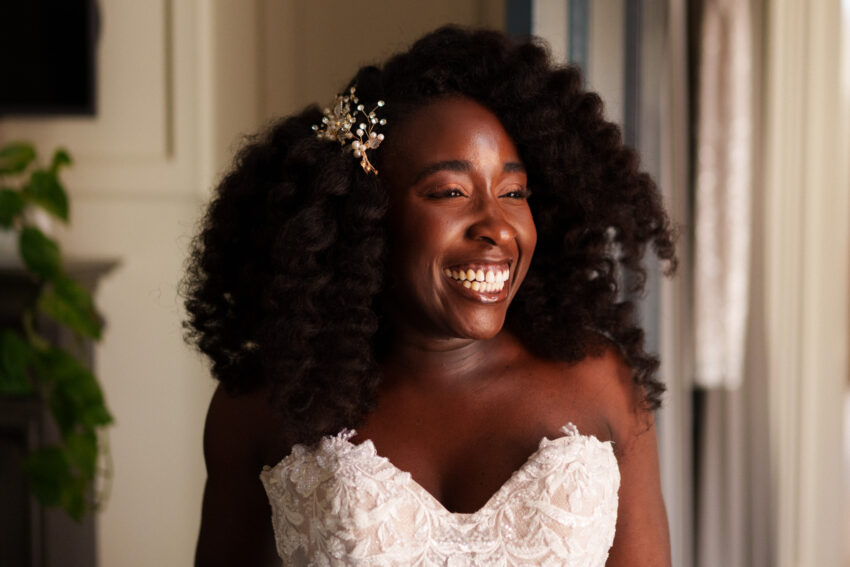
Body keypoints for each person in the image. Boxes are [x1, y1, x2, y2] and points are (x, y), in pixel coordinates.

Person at [184, 26, 676, 567]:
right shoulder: (265, 405)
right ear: (366, 214)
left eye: (513, 192)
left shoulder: (600, 383)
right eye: (451, 192)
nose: (497, 227)